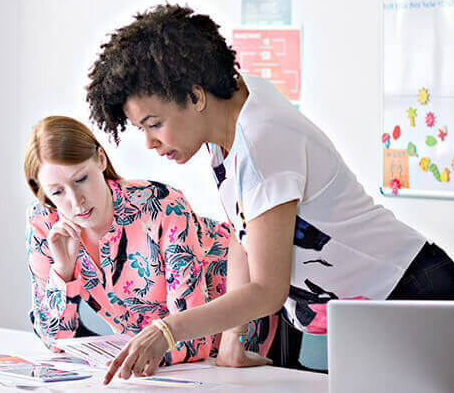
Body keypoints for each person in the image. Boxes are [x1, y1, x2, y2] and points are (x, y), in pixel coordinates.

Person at [85, 4, 454, 384]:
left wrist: (166, 331)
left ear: (196, 97)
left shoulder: (262, 139)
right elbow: (244, 235)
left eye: (154, 124)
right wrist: (233, 335)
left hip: (411, 294)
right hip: (365, 312)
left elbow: (267, 290)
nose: (151, 143)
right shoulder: (230, 117)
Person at [23, 115, 276, 368]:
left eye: (81, 179)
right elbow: (54, 341)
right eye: (57, 192)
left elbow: (196, 341)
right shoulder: (44, 224)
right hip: (157, 360)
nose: (76, 201)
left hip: (235, 333)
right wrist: (63, 272)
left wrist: (128, 357)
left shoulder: (162, 206)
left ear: (100, 159)